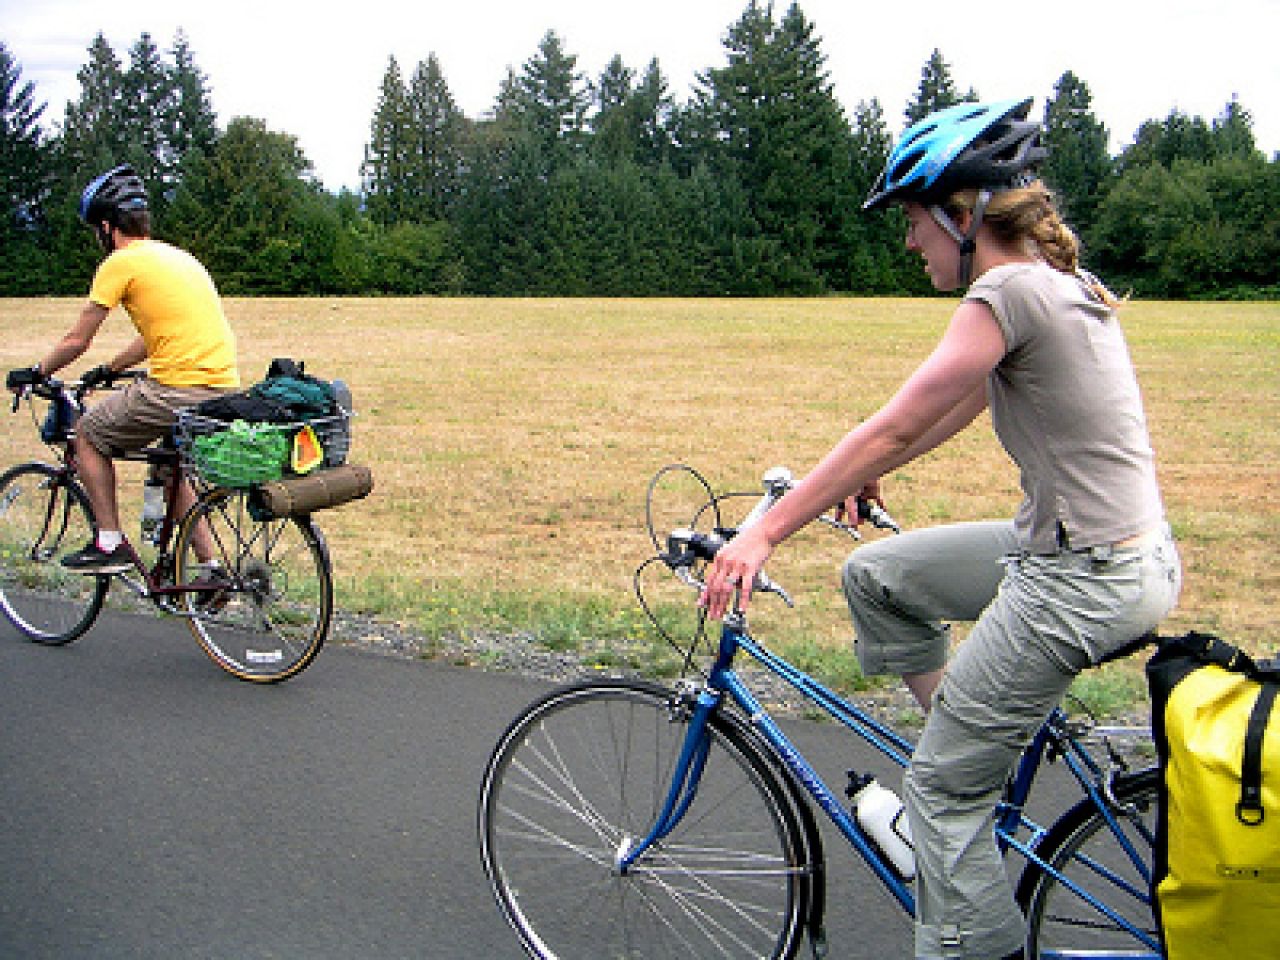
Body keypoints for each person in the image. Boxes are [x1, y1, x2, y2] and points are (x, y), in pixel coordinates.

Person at [701, 98, 1181, 960]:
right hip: (1107, 557)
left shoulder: (1006, 289)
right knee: (878, 576)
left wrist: (767, 530)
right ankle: (975, 744)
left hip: (1082, 577)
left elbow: (889, 423)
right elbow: (943, 411)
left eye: (915, 222)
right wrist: (884, 467)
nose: (909, 242)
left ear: (962, 216)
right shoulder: (1049, 284)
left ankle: (961, 819)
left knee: (938, 794)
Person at [5, 164, 239, 573]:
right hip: (221, 387)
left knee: (87, 434)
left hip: (175, 389)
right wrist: (107, 370)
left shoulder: (121, 262)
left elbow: (77, 340)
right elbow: (155, 338)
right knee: (171, 471)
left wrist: (37, 372)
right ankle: (212, 568)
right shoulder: (177, 256)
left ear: (108, 227)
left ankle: (109, 542)